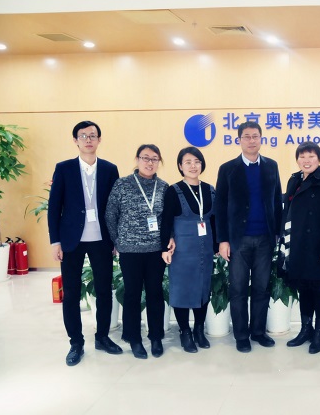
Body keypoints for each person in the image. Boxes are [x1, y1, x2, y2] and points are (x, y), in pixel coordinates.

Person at [48, 121, 122, 366]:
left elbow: (115, 208)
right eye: (83, 136)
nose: (88, 140)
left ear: (99, 140)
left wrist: (116, 239)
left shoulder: (110, 169)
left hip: (102, 239)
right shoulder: (64, 168)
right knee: (71, 293)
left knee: (104, 290)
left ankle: (102, 337)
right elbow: (54, 207)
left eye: (93, 135)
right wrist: (55, 241)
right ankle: (76, 342)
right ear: (75, 140)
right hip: (72, 240)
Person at [215, 122, 282, 353]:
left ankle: (258, 332)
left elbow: (277, 200)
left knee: (262, 288)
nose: (251, 140)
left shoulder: (271, 166)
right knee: (238, 290)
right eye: (246, 136)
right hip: (238, 240)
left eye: (255, 136)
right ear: (239, 140)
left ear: (261, 139)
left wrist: (278, 234)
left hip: (265, 238)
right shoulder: (227, 169)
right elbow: (220, 206)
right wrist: (222, 240)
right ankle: (242, 335)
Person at [106, 144, 170, 359]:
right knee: (132, 294)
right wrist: (117, 241)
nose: (149, 162)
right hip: (130, 251)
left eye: (154, 159)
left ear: (159, 162)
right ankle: (133, 338)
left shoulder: (163, 187)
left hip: (155, 251)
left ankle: (156, 337)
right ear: (137, 159)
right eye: (145, 158)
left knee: (155, 293)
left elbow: (168, 219)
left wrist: (168, 241)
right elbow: (110, 214)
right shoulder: (122, 184)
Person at [282, 142, 320, 354]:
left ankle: (319, 332)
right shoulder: (294, 180)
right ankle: (306, 329)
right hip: (298, 245)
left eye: (311, 156)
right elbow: (287, 213)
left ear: (319, 159)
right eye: (302, 157)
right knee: (304, 289)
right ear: (297, 159)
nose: (306, 161)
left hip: (319, 247)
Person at [161, 147, 216, 353]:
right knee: (182, 290)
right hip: (182, 250)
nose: (193, 166)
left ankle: (199, 329)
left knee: (203, 288)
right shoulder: (173, 191)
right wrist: (165, 245)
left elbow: (215, 220)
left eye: (197, 161)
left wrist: (218, 244)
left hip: (205, 249)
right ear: (180, 166)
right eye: (188, 162)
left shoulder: (210, 190)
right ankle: (185, 331)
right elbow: (166, 220)